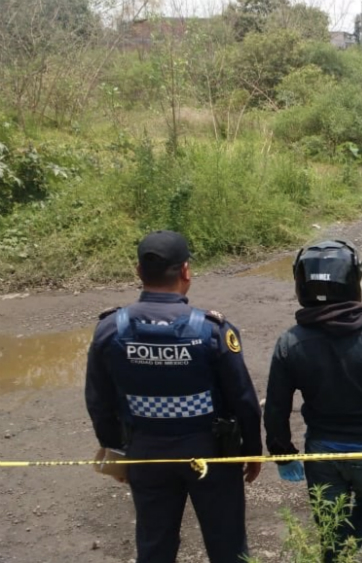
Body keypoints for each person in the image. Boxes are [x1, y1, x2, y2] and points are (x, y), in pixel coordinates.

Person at [85, 230, 262, 563]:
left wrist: (118, 453)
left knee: (154, 546)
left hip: (146, 455)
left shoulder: (110, 330)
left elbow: (99, 401)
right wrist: (252, 451)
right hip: (212, 455)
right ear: (185, 271)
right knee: (228, 545)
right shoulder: (212, 331)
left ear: (138, 271)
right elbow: (244, 400)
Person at [263, 240, 362, 562]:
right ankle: (343, 554)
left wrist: (283, 454)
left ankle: (335, 556)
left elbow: (277, 407)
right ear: (354, 281)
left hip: (320, 452)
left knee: (330, 525)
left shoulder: (290, 343)